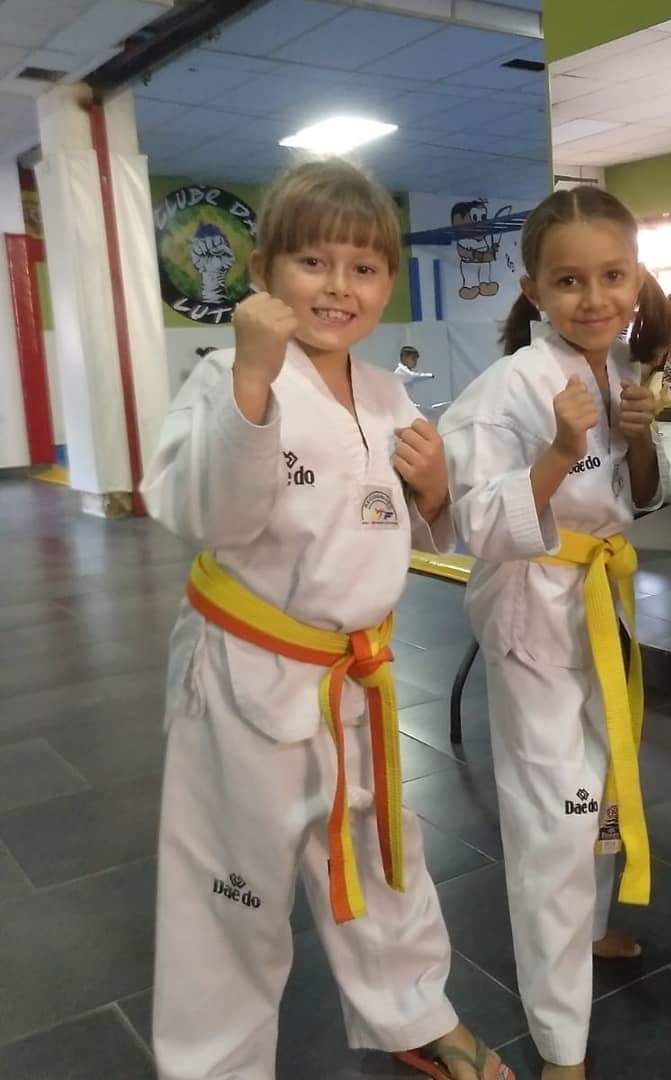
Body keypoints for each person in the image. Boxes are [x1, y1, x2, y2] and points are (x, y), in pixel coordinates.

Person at [142, 160, 513, 1080]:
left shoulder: (387, 394)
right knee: (233, 881)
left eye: (364, 268)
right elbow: (207, 515)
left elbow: (394, 525)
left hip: (358, 679)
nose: (338, 286)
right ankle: (213, 1064)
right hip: (248, 675)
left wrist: (435, 491)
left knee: (385, 849)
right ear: (262, 272)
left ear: (388, 282)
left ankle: (412, 1012)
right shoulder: (223, 376)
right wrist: (252, 382)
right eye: (312, 262)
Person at [439, 187, 670, 1080]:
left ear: (637, 278)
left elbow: (637, 496)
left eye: (613, 276)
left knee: (601, 774)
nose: (595, 297)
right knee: (552, 819)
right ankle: (560, 1036)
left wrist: (638, 439)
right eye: (570, 281)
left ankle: (594, 924)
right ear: (534, 289)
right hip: (534, 611)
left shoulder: (616, 370)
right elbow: (473, 522)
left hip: (598, 600)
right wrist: (556, 454)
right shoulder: (506, 388)